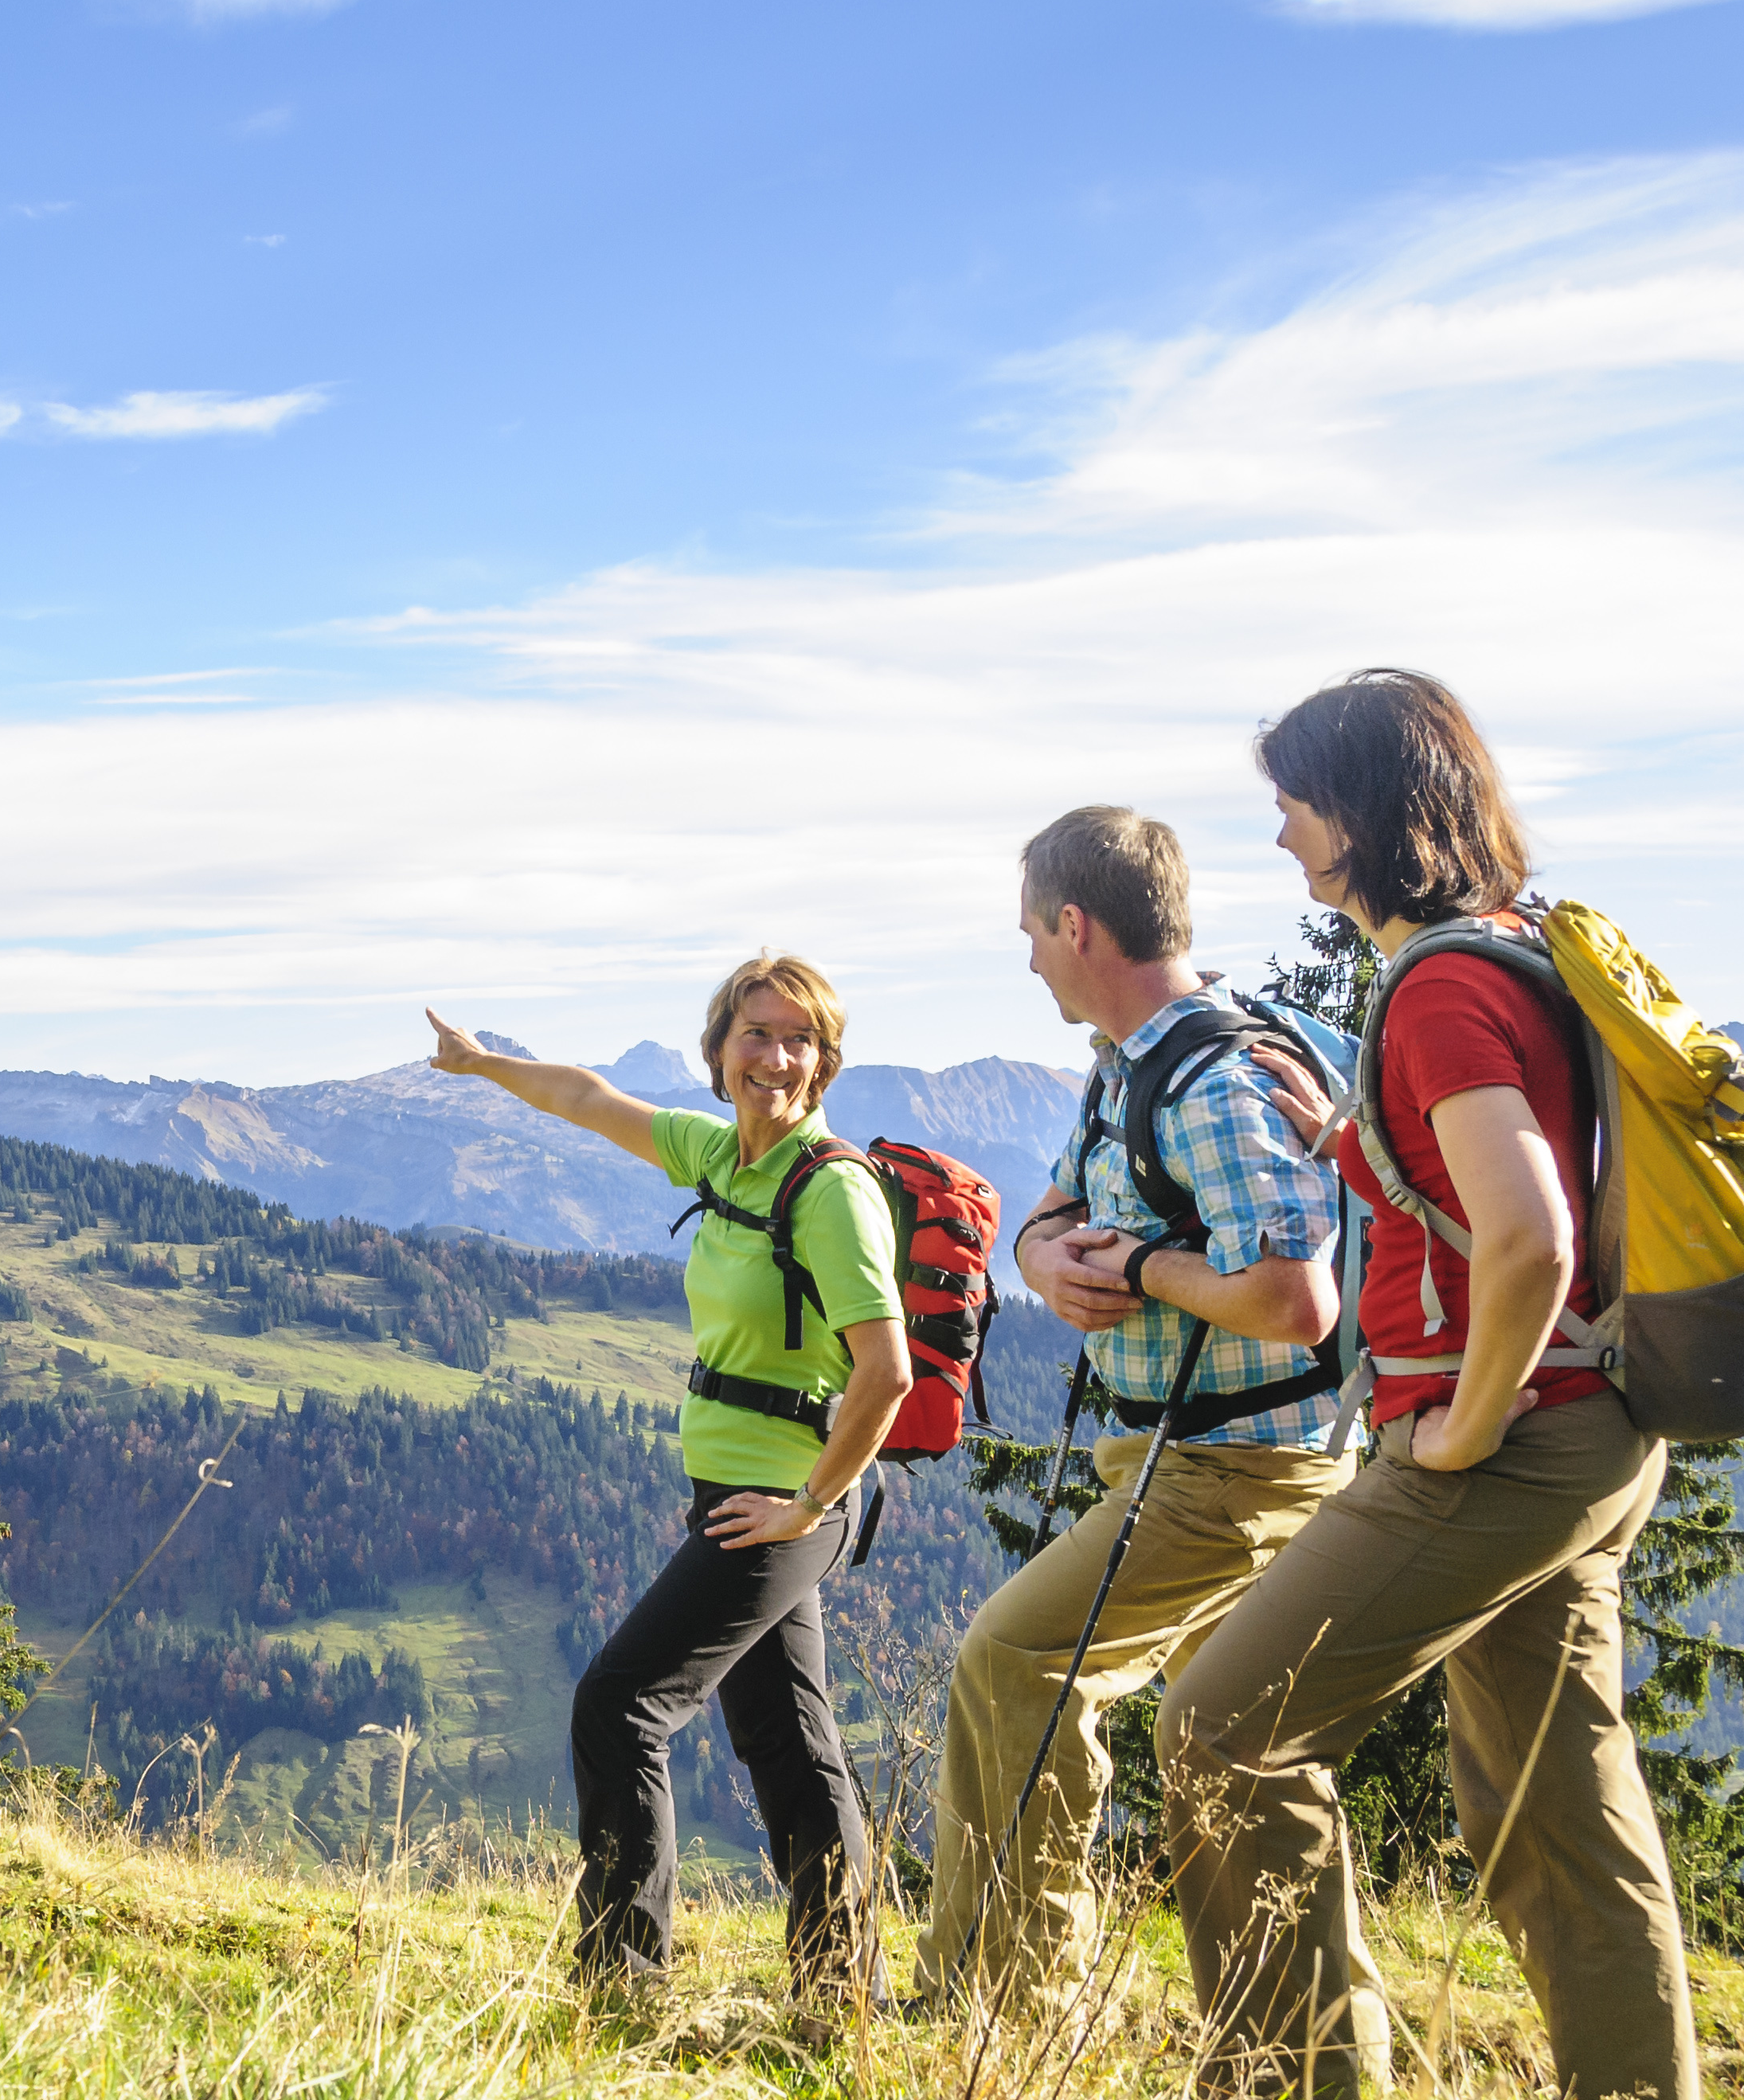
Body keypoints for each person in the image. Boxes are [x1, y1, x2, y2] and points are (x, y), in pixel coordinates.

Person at [1159, 668, 1699, 2100]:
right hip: (1593, 1428)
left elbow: (1528, 1235)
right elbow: (1485, 1195)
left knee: (1221, 1730)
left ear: (1367, 813)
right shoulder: (1509, 955)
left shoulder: (1443, 985)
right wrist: (1360, 1141)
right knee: (1559, 1807)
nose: (1281, 841)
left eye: (1295, 807)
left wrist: (1460, 1424)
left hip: (1504, 1446)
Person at [913, 808, 1359, 2019]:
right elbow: (1052, 1217)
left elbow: (1295, 1298)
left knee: (1016, 1660)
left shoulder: (1210, 1080)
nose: (1028, 961)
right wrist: (1047, 1257)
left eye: (1030, 935)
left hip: (1236, 1474)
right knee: (1245, 1758)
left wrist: (1144, 1271)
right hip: (1177, 1460)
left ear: (1076, 924)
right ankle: (1302, 2055)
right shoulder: (1130, 1064)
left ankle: (1007, 2005)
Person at [426, 955, 906, 2028]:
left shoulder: (828, 1190)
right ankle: (846, 2001)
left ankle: (623, 1985)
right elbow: (591, 1101)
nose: (774, 1056)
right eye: (755, 1033)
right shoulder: (720, 1158)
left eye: (798, 1039)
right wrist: (480, 1064)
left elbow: (887, 1372)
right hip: (742, 1494)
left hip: (781, 1503)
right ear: (719, 1049)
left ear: (827, 1061)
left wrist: (810, 1509)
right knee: (789, 1744)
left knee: (620, 1703)